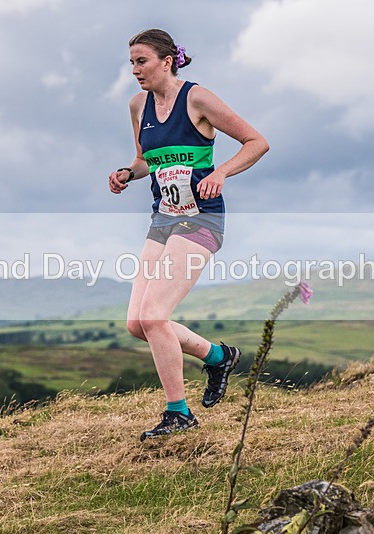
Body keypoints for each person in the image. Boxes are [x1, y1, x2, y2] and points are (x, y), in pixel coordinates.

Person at [108, 29, 269, 442]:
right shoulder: (137, 105)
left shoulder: (197, 99)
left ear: (166, 61)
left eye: (141, 61)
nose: (135, 70)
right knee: (136, 323)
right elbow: (146, 160)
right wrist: (128, 173)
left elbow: (257, 142)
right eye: (131, 63)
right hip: (162, 220)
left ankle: (179, 413)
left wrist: (221, 171)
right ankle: (218, 357)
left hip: (201, 220)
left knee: (154, 315)